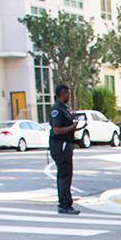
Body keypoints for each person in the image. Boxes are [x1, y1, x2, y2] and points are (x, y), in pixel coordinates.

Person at [48, 84, 80, 216]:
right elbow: (57, 130)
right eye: (67, 93)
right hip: (60, 145)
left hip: (66, 144)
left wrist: (76, 126)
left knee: (66, 174)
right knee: (64, 175)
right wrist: (72, 127)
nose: (69, 96)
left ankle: (66, 203)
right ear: (61, 94)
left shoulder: (65, 108)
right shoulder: (56, 109)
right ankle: (65, 204)